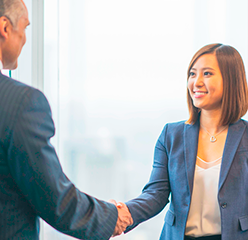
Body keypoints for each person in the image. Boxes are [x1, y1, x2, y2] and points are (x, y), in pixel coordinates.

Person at [0, 0, 133, 239]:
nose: (26, 39)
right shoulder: (21, 103)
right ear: (5, 28)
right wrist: (112, 216)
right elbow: (56, 201)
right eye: (25, 27)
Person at [113, 43, 248, 240]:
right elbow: (156, 194)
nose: (197, 82)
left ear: (231, 80)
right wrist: (123, 213)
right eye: (192, 74)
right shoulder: (171, 135)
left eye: (207, 74)